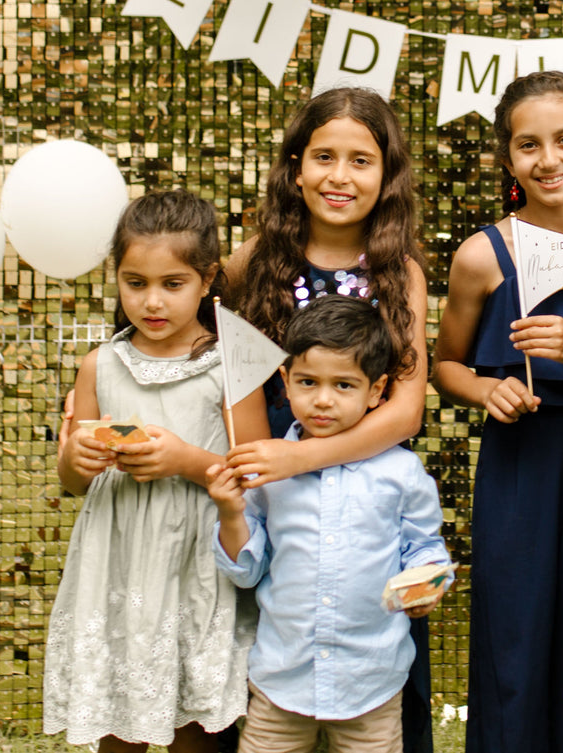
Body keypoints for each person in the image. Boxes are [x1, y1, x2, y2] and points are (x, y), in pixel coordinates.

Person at [223, 87, 435, 751]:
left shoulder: (400, 272)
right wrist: (268, 474)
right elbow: (241, 396)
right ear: (294, 166)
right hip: (280, 510)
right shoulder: (250, 262)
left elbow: (405, 407)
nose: (340, 176)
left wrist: (303, 458)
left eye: (361, 160)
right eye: (323, 156)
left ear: (387, 174)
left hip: (370, 502)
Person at [433, 71, 563, 753]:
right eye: (529, 145)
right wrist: (487, 390)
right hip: (516, 461)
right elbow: (445, 363)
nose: (549, 160)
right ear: (508, 158)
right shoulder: (481, 255)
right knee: (509, 631)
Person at [44, 190, 271, 753]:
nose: (151, 302)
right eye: (134, 282)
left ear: (208, 277)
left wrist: (187, 462)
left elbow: (260, 471)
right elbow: (74, 480)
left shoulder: (230, 364)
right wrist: (76, 459)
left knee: (193, 723)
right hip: (118, 558)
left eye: (173, 284)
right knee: (118, 716)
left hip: (193, 559)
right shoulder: (100, 364)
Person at [206, 294, 453, 753]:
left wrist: (429, 582)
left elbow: (425, 549)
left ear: (377, 391)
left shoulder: (401, 475)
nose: (323, 400)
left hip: (371, 684)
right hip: (281, 681)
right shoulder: (267, 472)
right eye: (307, 382)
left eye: (344, 385)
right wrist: (229, 511)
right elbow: (246, 570)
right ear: (285, 381)